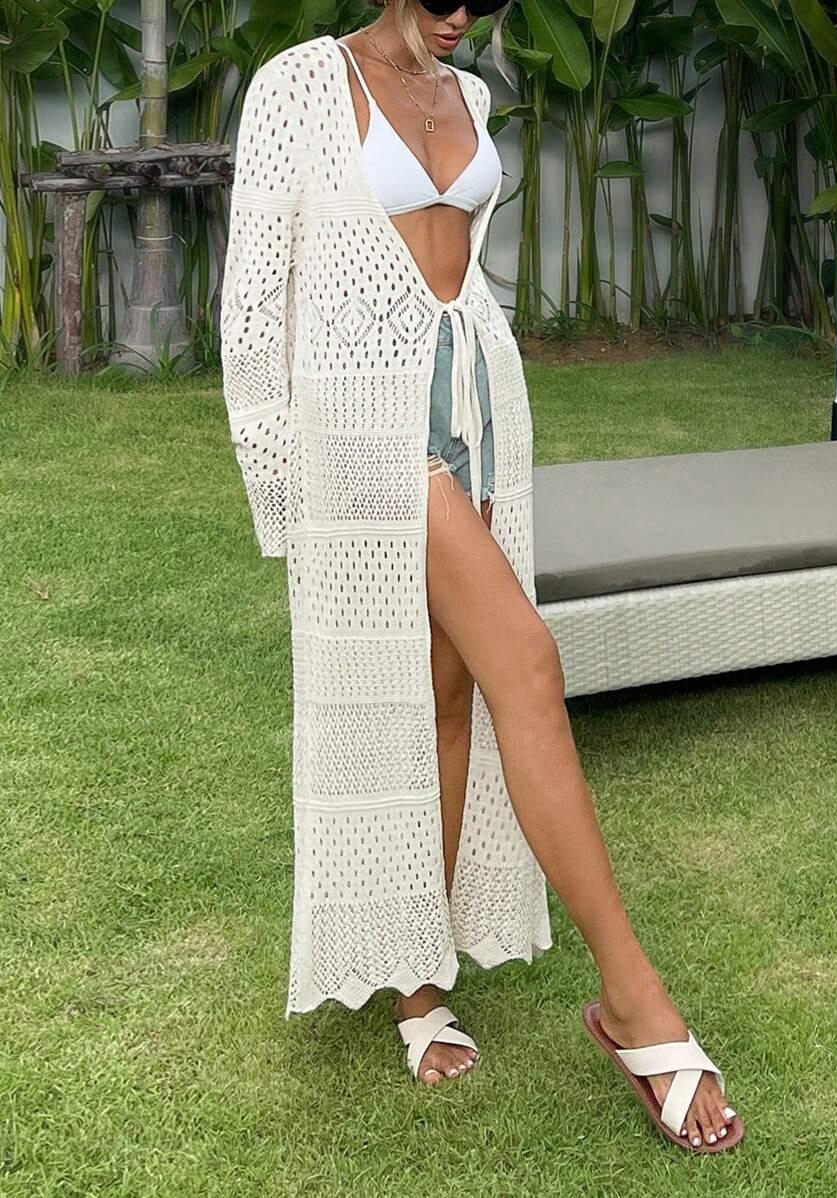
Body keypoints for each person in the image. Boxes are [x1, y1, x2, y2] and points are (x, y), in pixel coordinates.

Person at [220, 0, 743, 1154]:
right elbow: (252, 304)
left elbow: (460, 274)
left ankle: (420, 985)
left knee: (450, 695)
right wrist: (286, 497)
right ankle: (634, 1002)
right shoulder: (299, 85)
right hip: (369, 437)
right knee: (530, 662)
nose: (463, 17)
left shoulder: (471, 93)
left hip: (477, 413)